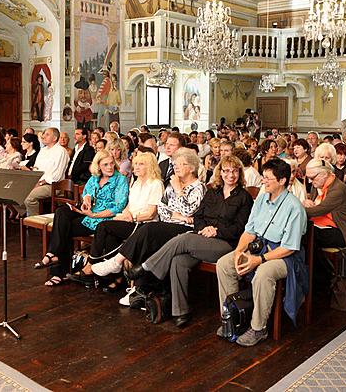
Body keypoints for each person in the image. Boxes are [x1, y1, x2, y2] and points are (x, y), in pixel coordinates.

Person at [128, 156, 254, 327]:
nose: (230, 175)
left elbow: (241, 228)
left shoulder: (244, 197)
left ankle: (147, 267)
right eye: (226, 171)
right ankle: (180, 311)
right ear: (220, 173)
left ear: (239, 173)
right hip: (203, 238)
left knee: (185, 238)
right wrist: (204, 229)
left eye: (234, 171)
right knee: (178, 261)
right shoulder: (212, 192)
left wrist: (216, 231)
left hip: (226, 244)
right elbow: (198, 217)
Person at [215, 158, 308, 347]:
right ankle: (233, 316)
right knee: (225, 264)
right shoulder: (262, 199)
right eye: (263, 177)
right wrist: (239, 252)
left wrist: (259, 260)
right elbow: (249, 231)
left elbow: (289, 247)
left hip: (283, 255)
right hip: (260, 247)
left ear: (282, 181)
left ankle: (258, 328)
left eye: (267, 178)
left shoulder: (294, 207)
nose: (262, 182)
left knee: (264, 274)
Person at [90, 148, 205, 278]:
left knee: (148, 229)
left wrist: (179, 191)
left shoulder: (198, 187)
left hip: (183, 230)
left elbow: (188, 210)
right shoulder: (170, 185)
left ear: (191, 168)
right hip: (167, 224)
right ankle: (114, 276)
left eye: (181, 164)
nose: (176, 167)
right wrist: (180, 216)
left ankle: (115, 263)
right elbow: (162, 209)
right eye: (175, 164)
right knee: (110, 230)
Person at [68, 151, 163, 290]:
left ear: (150, 166)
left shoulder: (156, 184)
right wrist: (125, 214)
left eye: (140, 164)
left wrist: (131, 217)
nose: (135, 167)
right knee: (110, 234)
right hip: (130, 219)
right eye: (135, 164)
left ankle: (90, 266)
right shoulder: (136, 183)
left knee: (104, 226)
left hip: (143, 224)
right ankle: (115, 277)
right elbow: (128, 205)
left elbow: (151, 213)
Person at [36, 150, 129, 286]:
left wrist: (95, 214)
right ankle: (53, 255)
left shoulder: (120, 179)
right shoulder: (95, 177)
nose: (109, 167)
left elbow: (118, 206)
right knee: (62, 212)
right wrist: (86, 199)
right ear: (98, 166)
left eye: (111, 164)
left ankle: (57, 269)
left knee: (64, 228)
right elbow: (87, 192)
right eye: (105, 165)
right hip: (89, 214)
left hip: (103, 219)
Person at [20, 127, 70, 217]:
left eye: (47, 134)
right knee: (15, 192)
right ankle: (26, 214)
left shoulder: (61, 151)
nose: (43, 136)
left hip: (54, 185)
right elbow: (37, 169)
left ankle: (34, 221)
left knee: (29, 197)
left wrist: (41, 183)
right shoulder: (43, 151)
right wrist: (34, 180)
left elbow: (56, 175)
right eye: (43, 134)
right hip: (39, 182)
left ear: (54, 138)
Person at [303, 159, 346, 249]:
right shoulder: (317, 185)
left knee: (306, 233)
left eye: (312, 178)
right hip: (317, 225)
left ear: (325, 174)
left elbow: (319, 210)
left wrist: (297, 209)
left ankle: (314, 263)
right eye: (308, 178)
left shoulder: (338, 188)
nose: (309, 181)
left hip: (337, 230)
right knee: (302, 232)